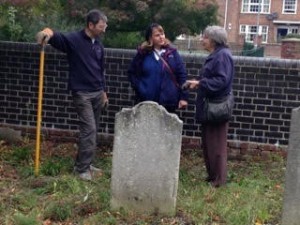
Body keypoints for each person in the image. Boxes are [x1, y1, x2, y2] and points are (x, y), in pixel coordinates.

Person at [36, 9, 109, 181]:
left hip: (98, 93)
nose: (104, 29)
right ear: (90, 25)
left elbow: (101, 70)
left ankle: (86, 163)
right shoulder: (74, 40)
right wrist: (46, 32)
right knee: (89, 130)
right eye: (101, 26)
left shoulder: (98, 45)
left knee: (93, 130)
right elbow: (53, 36)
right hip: (82, 93)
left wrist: (104, 92)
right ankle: (81, 170)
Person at [184, 25, 234, 187]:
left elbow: (221, 81)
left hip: (216, 107)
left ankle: (219, 180)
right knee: (208, 143)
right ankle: (213, 176)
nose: (202, 40)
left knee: (216, 145)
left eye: (204, 37)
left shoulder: (222, 56)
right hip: (210, 106)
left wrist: (200, 83)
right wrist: (198, 83)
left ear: (214, 40)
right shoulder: (218, 55)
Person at [127, 23, 188, 113]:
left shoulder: (172, 53)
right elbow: (132, 73)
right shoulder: (143, 54)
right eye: (157, 35)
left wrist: (184, 97)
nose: (161, 37)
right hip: (147, 101)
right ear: (150, 38)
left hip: (168, 101)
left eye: (162, 34)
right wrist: (141, 89)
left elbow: (182, 75)